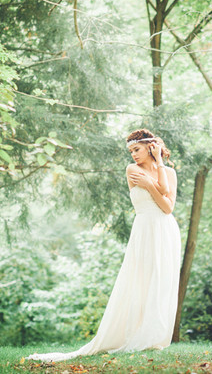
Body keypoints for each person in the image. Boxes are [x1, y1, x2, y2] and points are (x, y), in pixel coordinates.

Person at [26, 129, 181, 362]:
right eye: (130, 151)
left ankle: (154, 337)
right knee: (141, 280)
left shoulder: (169, 171)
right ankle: (135, 335)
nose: (133, 155)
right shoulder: (132, 170)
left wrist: (157, 165)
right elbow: (162, 195)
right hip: (144, 229)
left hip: (166, 230)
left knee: (162, 281)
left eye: (136, 150)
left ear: (150, 147)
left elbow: (168, 207)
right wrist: (152, 185)